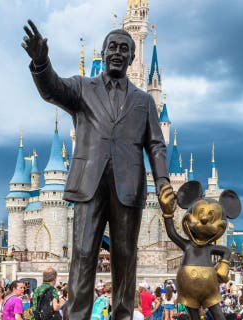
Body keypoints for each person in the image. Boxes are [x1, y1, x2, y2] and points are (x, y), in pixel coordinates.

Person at [22, 19, 171, 320]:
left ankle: (123, 316)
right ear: (103, 53)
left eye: (124, 49)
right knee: (83, 256)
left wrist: (164, 182)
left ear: (132, 58)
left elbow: (156, 144)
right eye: (112, 47)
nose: (118, 53)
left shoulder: (143, 101)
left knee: (125, 259)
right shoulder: (82, 88)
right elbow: (52, 89)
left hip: (128, 188)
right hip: (88, 184)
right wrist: (41, 62)